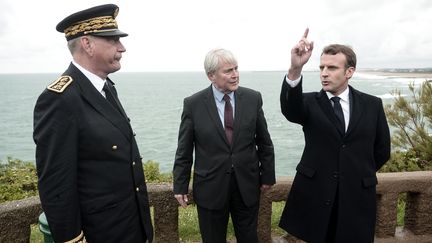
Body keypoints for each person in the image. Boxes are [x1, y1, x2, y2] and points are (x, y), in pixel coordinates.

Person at [33, 4, 153, 242]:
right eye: (113, 41)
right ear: (87, 44)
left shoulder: (106, 87)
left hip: (130, 226)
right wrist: (72, 239)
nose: (122, 48)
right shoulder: (60, 99)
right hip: (100, 233)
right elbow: (56, 183)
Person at [278, 29, 391, 243]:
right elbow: (289, 108)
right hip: (316, 196)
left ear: (349, 72)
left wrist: (353, 172)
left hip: (356, 198)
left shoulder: (372, 105)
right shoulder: (309, 103)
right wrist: (295, 68)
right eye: (321, 67)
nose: (324, 73)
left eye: (331, 67)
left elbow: (382, 149)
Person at [173, 48, 275, 243]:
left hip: (247, 186)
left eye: (236, 68)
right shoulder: (193, 104)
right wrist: (180, 185)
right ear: (211, 75)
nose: (235, 74)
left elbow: (264, 141)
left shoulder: (253, 98)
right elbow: (184, 150)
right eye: (228, 71)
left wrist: (268, 175)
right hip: (210, 188)